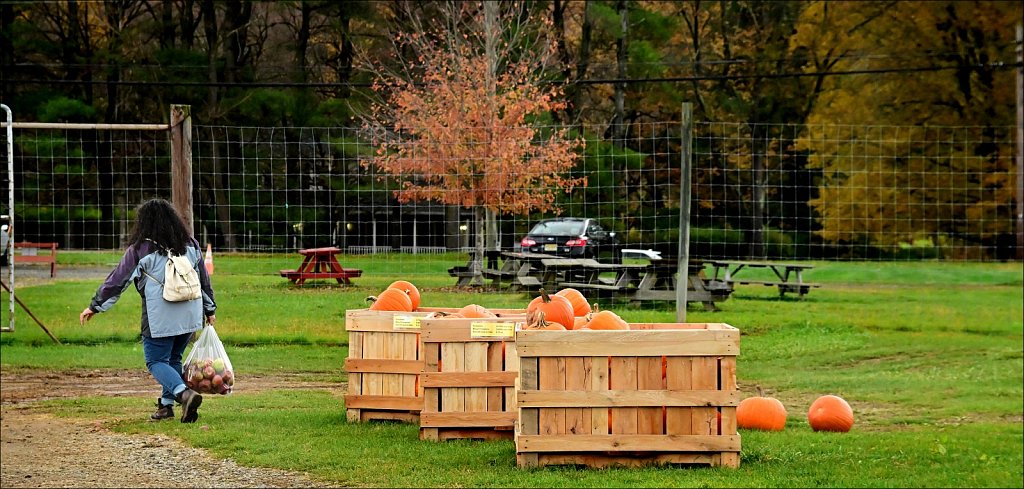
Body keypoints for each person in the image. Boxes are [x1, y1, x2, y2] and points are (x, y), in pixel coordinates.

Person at [79, 198, 216, 423]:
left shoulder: (141, 249)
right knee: (172, 358)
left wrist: (95, 305)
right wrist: (210, 310)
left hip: (160, 315)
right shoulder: (190, 244)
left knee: (155, 361)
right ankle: (165, 407)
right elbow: (204, 279)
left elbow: (117, 280)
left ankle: (184, 394)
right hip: (191, 313)